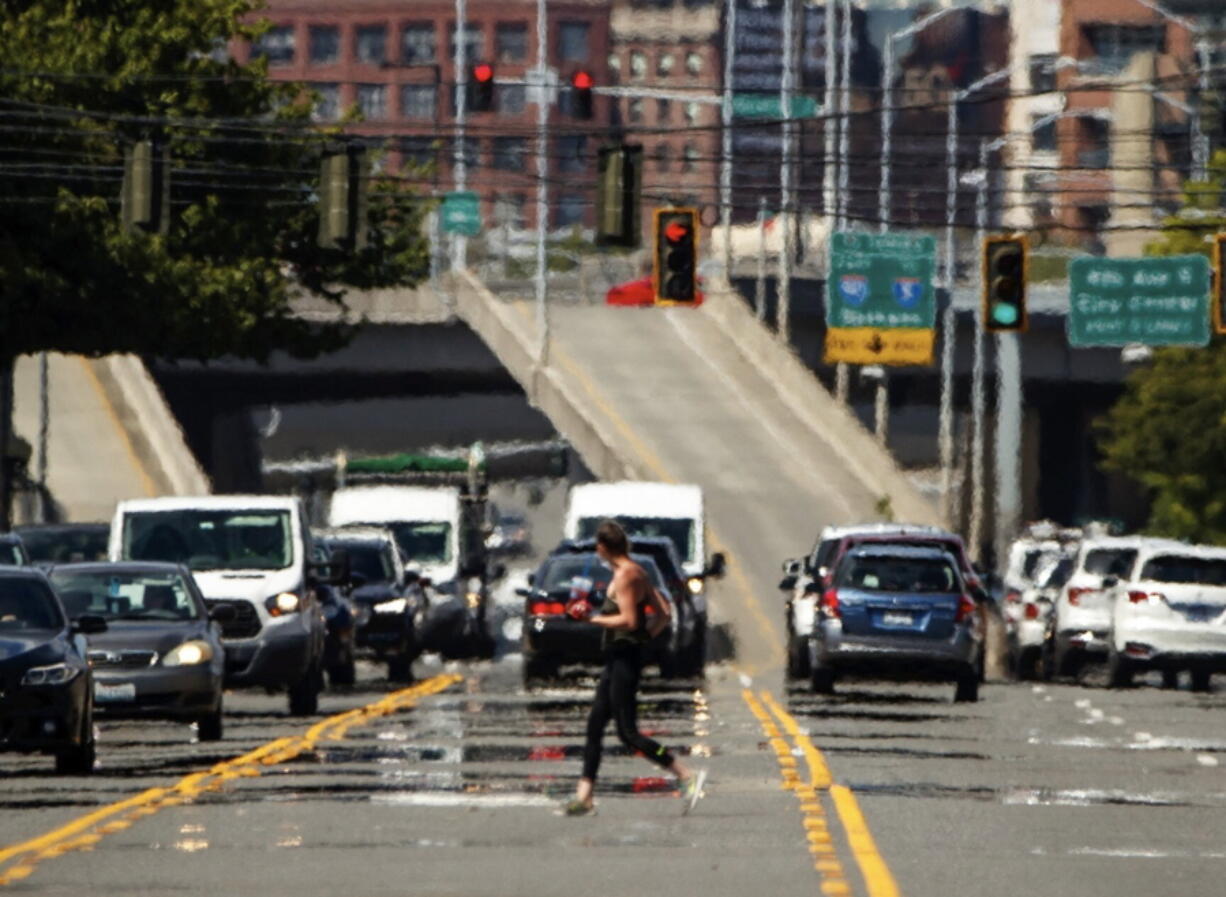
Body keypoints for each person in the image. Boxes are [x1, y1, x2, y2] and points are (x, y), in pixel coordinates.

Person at [564, 520, 706, 816]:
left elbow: (628, 620)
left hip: (624, 659)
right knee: (595, 726)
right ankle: (584, 796)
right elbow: (665, 612)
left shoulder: (627, 575)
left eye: (598, 546)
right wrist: (646, 637)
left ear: (604, 547)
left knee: (628, 733)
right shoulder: (635, 571)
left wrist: (591, 619)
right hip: (620, 656)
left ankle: (685, 774)